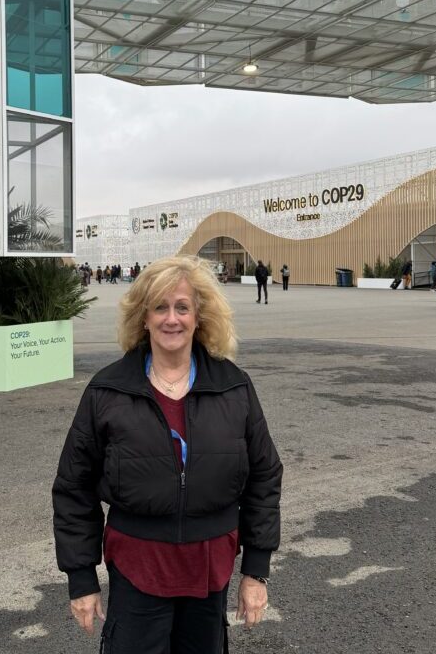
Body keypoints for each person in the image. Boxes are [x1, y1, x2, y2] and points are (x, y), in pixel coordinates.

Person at [53, 256, 282, 653]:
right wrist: (81, 578)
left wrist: (256, 572)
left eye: (182, 307)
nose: (171, 319)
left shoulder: (233, 387)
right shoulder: (108, 391)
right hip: (137, 568)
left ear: (199, 316)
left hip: (209, 571)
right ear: (143, 317)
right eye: (160, 307)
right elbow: (74, 487)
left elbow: (264, 476)